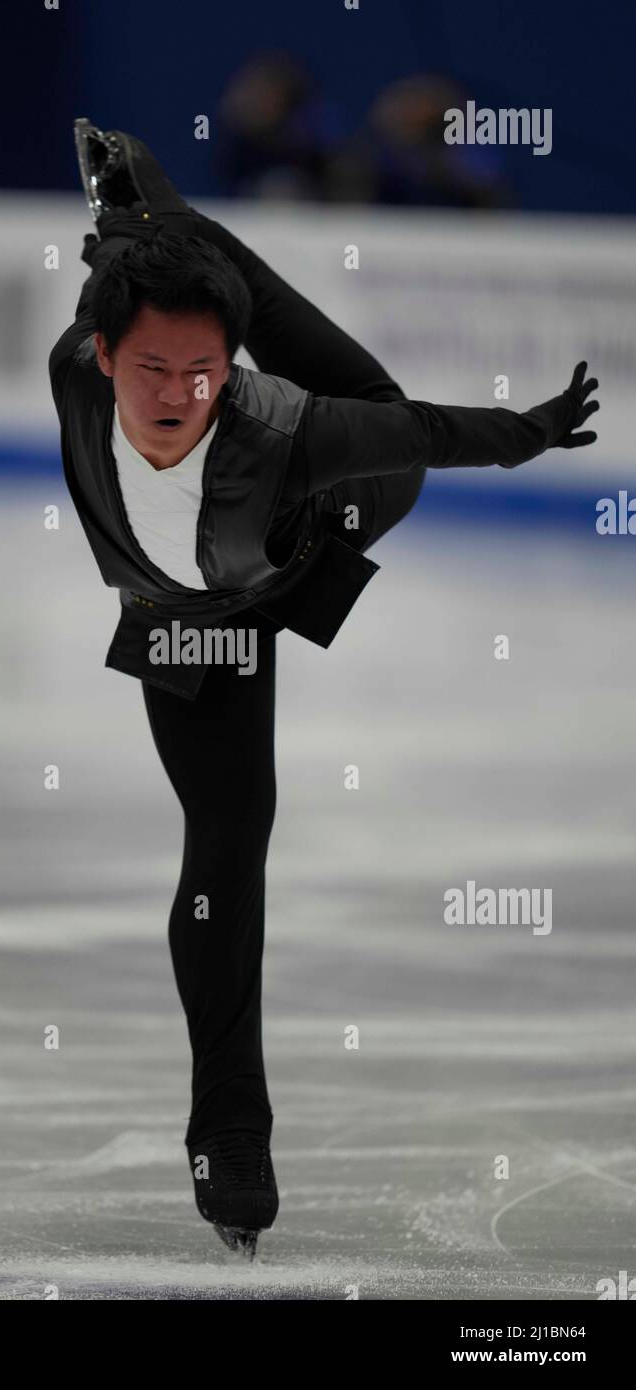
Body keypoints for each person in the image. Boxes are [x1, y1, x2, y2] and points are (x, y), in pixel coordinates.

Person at [48, 121, 599, 1258]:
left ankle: (186, 224)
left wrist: (526, 434)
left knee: (367, 413)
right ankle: (229, 1128)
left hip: (309, 525)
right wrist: (126, 219)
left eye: (202, 372)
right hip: (191, 618)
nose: (178, 394)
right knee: (230, 830)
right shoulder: (75, 365)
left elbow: (413, 429)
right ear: (103, 358)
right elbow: (108, 283)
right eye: (151, 367)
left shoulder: (274, 427)